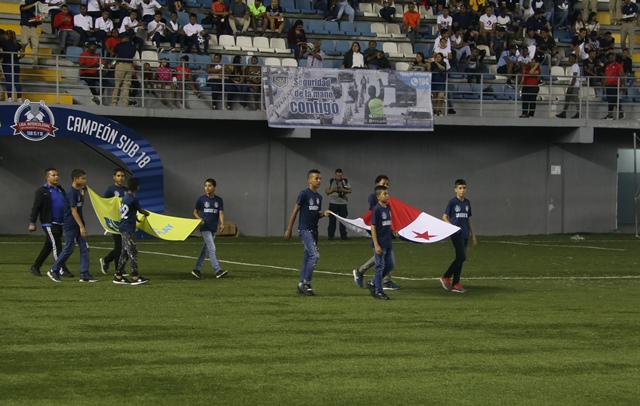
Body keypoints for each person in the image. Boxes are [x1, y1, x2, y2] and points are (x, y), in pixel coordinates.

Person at [284, 169, 331, 296]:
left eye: (320, 178)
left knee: (307, 257)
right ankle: (306, 283)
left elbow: (315, 215)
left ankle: (301, 285)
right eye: (316, 178)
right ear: (309, 180)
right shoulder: (304, 194)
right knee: (315, 255)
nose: (319, 181)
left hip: (314, 231)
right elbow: (295, 211)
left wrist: (323, 214)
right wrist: (289, 228)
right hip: (305, 230)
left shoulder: (319, 197)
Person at [352, 175, 402, 290]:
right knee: (381, 257)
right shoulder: (374, 198)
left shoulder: (387, 200)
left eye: (387, 184)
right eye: (383, 184)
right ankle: (382, 283)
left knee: (384, 257)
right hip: (378, 230)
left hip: (386, 229)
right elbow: (373, 215)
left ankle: (364, 272)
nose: (386, 186)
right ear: (377, 185)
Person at [47, 169, 97, 283]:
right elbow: (73, 211)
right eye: (83, 178)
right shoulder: (71, 192)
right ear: (75, 179)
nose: (85, 181)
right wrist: (81, 226)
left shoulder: (77, 192)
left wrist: (83, 193)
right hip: (71, 224)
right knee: (69, 248)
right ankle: (54, 269)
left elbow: (79, 205)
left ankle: (84, 274)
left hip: (77, 224)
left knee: (85, 248)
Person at [28, 168, 73, 278]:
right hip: (49, 223)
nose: (56, 177)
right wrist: (32, 222)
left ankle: (35, 266)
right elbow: (36, 208)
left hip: (60, 222)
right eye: (53, 175)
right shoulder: (42, 191)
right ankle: (61, 269)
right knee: (57, 245)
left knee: (48, 246)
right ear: (47, 177)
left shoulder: (61, 190)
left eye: (57, 175)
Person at [439, 179, 477, 294]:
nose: (462, 190)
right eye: (460, 188)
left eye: (464, 188)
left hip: (465, 234)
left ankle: (456, 283)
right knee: (462, 256)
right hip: (456, 234)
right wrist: (452, 227)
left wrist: (473, 235)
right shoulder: (452, 202)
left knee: (460, 258)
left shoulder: (467, 203)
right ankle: (446, 276)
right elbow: (444, 217)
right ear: (455, 189)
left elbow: (468, 219)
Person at [114, 177, 150, 285]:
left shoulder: (125, 197)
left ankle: (118, 275)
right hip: (128, 228)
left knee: (125, 252)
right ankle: (135, 276)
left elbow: (129, 211)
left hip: (123, 226)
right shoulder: (133, 199)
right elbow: (140, 210)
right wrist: (146, 213)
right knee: (132, 251)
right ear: (137, 187)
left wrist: (135, 218)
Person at [191, 178, 228, 279]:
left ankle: (196, 269)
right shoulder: (201, 199)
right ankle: (218, 270)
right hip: (205, 227)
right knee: (212, 248)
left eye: (209, 186)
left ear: (214, 187)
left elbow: (221, 212)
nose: (207, 188)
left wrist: (222, 223)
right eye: (206, 186)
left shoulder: (218, 200)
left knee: (205, 250)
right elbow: (195, 212)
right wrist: (200, 219)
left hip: (213, 228)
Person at [366, 185, 397, 300]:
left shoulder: (388, 208)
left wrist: (393, 232)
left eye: (388, 193)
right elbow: (373, 227)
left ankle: (372, 282)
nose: (388, 195)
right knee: (380, 266)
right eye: (385, 194)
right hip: (380, 244)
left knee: (391, 264)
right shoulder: (377, 210)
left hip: (388, 242)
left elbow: (388, 223)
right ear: (378, 197)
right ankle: (379, 292)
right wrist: (376, 244)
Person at [99, 168, 128, 275]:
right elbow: (105, 205)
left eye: (122, 176)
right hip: (115, 221)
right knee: (119, 244)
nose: (120, 178)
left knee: (126, 246)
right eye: (118, 176)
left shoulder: (126, 190)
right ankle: (118, 269)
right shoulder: (110, 190)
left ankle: (106, 260)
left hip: (125, 221)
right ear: (114, 177)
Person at [110, 35, 136, 107]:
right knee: (127, 85)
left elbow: (113, 55)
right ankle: (125, 103)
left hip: (120, 65)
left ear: (122, 39)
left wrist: (112, 62)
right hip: (129, 66)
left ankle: (114, 103)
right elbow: (132, 55)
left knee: (118, 84)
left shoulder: (119, 45)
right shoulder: (133, 46)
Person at [325, 168, 351, 240]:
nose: (339, 177)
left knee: (343, 220)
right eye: (337, 176)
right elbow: (327, 191)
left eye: (340, 176)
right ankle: (331, 235)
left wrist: (342, 190)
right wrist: (333, 189)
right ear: (335, 175)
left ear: (342, 175)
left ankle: (343, 235)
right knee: (332, 220)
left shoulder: (345, 181)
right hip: (333, 203)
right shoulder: (331, 181)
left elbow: (350, 190)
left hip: (343, 203)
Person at [0, 30, 25, 102]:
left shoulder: (3, 43)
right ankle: (19, 98)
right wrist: (18, 58)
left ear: (7, 35)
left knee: (9, 80)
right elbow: (22, 53)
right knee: (16, 80)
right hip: (16, 63)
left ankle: (9, 97)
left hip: (7, 63)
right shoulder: (16, 43)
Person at [555, 54, 580, 119]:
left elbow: (574, 77)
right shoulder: (573, 66)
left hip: (574, 85)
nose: (568, 59)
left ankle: (579, 112)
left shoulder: (575, 66)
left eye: (570, 58)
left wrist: (571, 87)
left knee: (575, 98)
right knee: (567, 98)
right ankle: (564, 113)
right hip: (572, 85)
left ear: (573, 59)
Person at [602, 52, 625, 120]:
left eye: (612, 57)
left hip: (616, 85)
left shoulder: (618, 65)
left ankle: (610, 116)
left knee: (612, 100)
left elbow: (622, 75)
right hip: (608, 85)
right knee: (611, 100)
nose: (611, 58)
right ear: (608, 59)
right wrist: (603, 86)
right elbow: (606, 77)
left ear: (615, 58)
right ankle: (620, 112)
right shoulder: (607, 67)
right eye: (610, 57)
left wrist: (623, 84)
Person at [19, 0, 41, 66]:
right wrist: (34, 4)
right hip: (25, 26)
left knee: (35, 45)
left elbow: (40, 21)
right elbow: (23, 8)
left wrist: (40, 20)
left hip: (33, 27)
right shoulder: (25, 2)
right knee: (24, 42)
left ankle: (35, 63)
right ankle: (21, 50)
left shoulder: (37, 7)